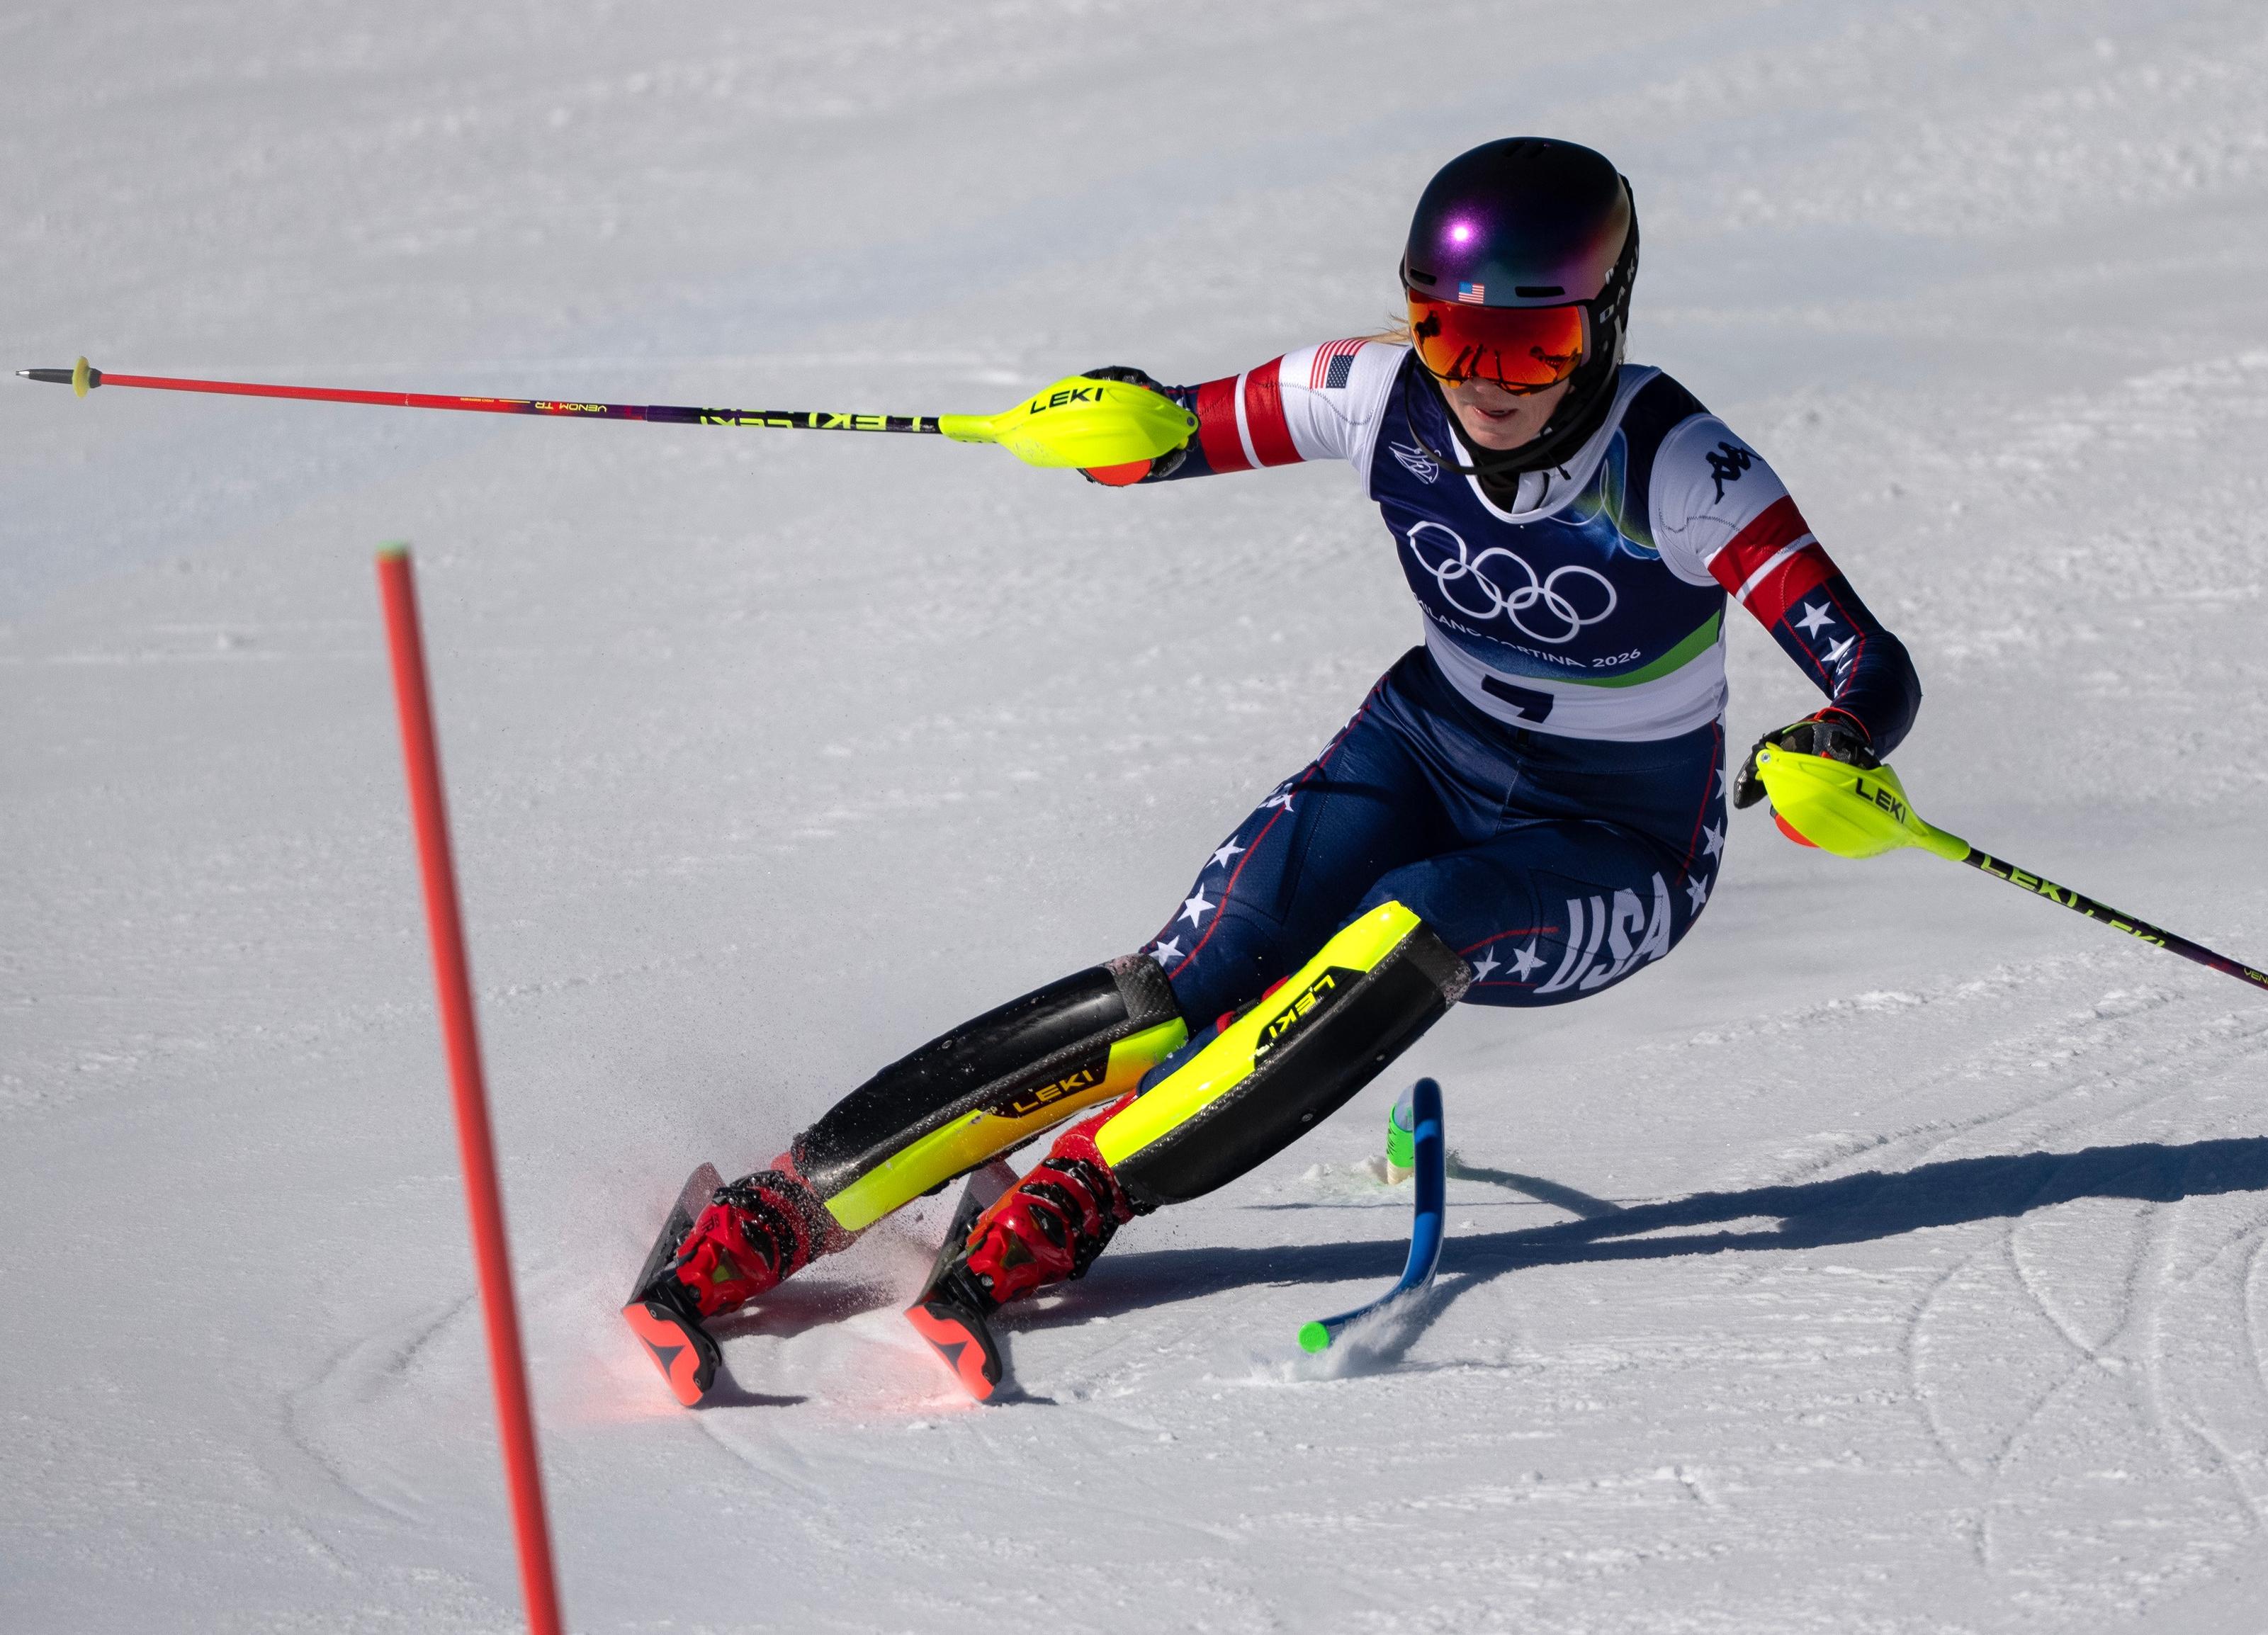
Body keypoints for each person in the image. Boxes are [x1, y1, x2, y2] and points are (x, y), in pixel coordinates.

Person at [622, 137, 1921, 1403]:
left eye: (1534, 344)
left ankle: (1075, 1200)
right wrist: (1107, 427)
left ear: (1606, 323)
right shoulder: (1376, 395)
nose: (1486, 378)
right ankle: (783, 1209)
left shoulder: (1679, 467)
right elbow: (1177, 430)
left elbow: (1867, 665)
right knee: (1181, 992)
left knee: (1422, 922)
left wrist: (1839, 743)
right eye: (1448, 332)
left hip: (1617, 838)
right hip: (1425, 746)